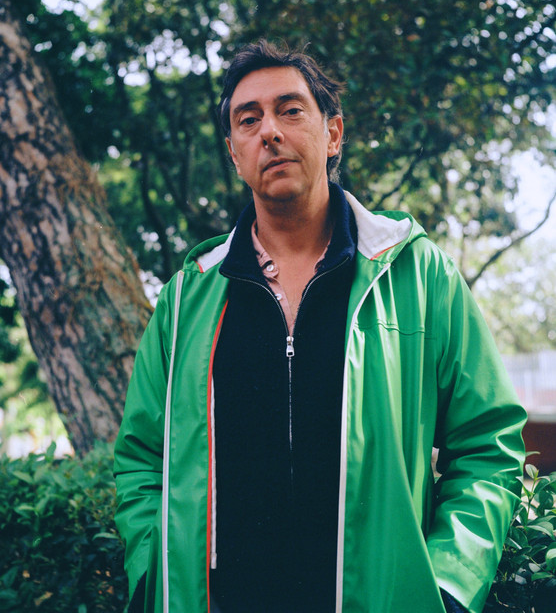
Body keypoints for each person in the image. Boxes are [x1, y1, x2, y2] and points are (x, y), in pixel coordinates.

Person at [114, 39, 526, 613]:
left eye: (290, 110)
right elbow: (141, 460)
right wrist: (155, 575)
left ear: (333, 134)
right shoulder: (186, 300)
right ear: (234, 153)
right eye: (248, 119)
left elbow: (487, 445)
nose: (269, 132)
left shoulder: (417, 274)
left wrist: (449, 588)